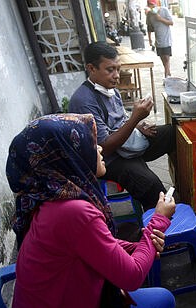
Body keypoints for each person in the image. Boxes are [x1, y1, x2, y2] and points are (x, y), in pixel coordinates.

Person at [5, 114, 186, 308]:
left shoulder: (50, 196)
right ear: (67, 156)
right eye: (88, 143)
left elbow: (88, 244)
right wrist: (158, 219)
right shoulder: (73, 211)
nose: (100, 148)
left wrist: (135, 248)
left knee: (164, 300)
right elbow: (132, 277)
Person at [69, 42, 175, 211]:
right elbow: (105, 148)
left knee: (172, 133)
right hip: (110, 159)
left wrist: (139, 124)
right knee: (153, 187)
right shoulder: (84, 101)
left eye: (118, 69)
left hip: (126, 143)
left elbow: (121, 120)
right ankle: (158, 228)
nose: (117, 75)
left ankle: (183, 185)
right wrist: (135, 118)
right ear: (91, 68)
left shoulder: (110, 89)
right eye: (110, 70)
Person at [147, 2, 173, 78]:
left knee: (167, 59)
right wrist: (150, 40)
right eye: (150, 5)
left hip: (166, 40)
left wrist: (160, 19)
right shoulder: (149, 14)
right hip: (158, 41)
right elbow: (149, 27)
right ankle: (168, 75)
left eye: (153, 5)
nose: (152, 7)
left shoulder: (164, 10)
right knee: (164, 61)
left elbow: (171, 22)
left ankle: (166, 77)